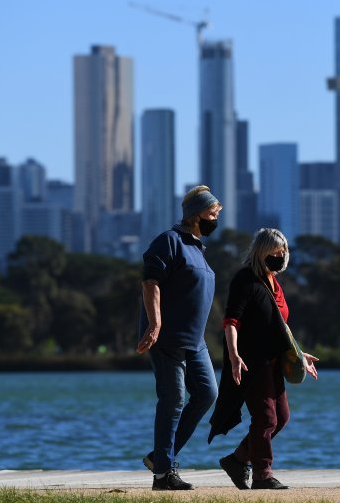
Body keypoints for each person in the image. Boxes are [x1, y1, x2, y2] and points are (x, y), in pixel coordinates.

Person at [208, 228, 319, 490]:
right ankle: (262, 474)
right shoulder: (245, 280)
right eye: (274, 251)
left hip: (273, 361)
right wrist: (234, 355)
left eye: (283, 251)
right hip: (251, 362)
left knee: (281, 417)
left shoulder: (273, 282)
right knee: (266, 418)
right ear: (261, 251)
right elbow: (231, 321)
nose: (280, 256)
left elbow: (278, 327)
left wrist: (298, 354)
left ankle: (236, 460)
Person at [136, 185, 222, 490]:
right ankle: (163, 474)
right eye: (212, 213)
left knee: (207, 394)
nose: (215, 219)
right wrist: (155, 323)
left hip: (195, 341)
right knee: (173, 400)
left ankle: (160, 456)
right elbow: (150, 282)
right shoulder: (169, 241)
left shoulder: (197, 247)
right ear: (197, 214)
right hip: (168, 337)